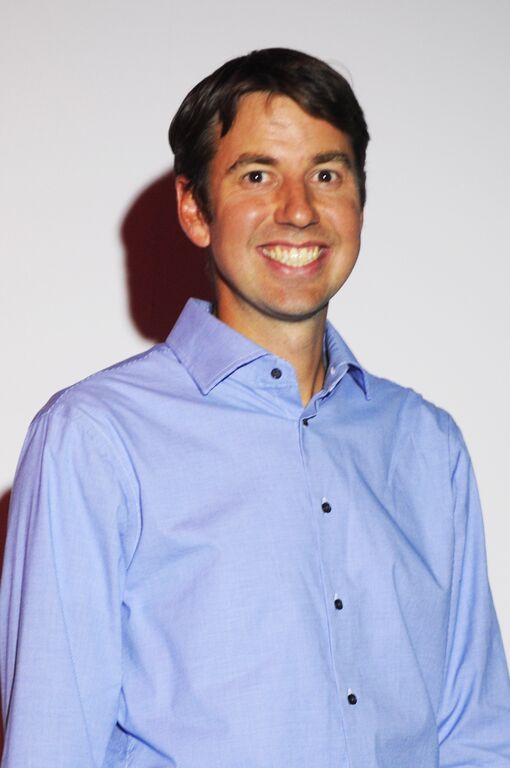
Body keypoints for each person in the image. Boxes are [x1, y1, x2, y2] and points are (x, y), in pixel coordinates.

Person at [1, 47, 509, 767]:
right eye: (258, 175)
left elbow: (477, 737)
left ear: (360, 202)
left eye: (326, 174)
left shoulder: (428, 445)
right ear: (194, 209)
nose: (298, 210)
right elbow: (50, 747)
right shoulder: (92, 439)